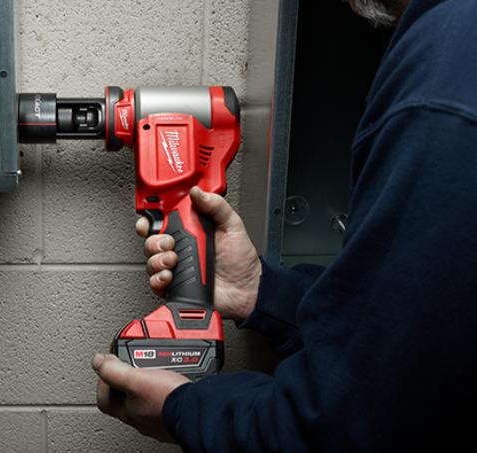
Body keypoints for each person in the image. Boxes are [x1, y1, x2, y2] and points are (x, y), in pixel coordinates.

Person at [91, 0, 477, 450]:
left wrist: (182, 408)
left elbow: (342, 423)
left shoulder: (440, 81)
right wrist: (261, 291)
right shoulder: (447, 50)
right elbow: (406, 321)